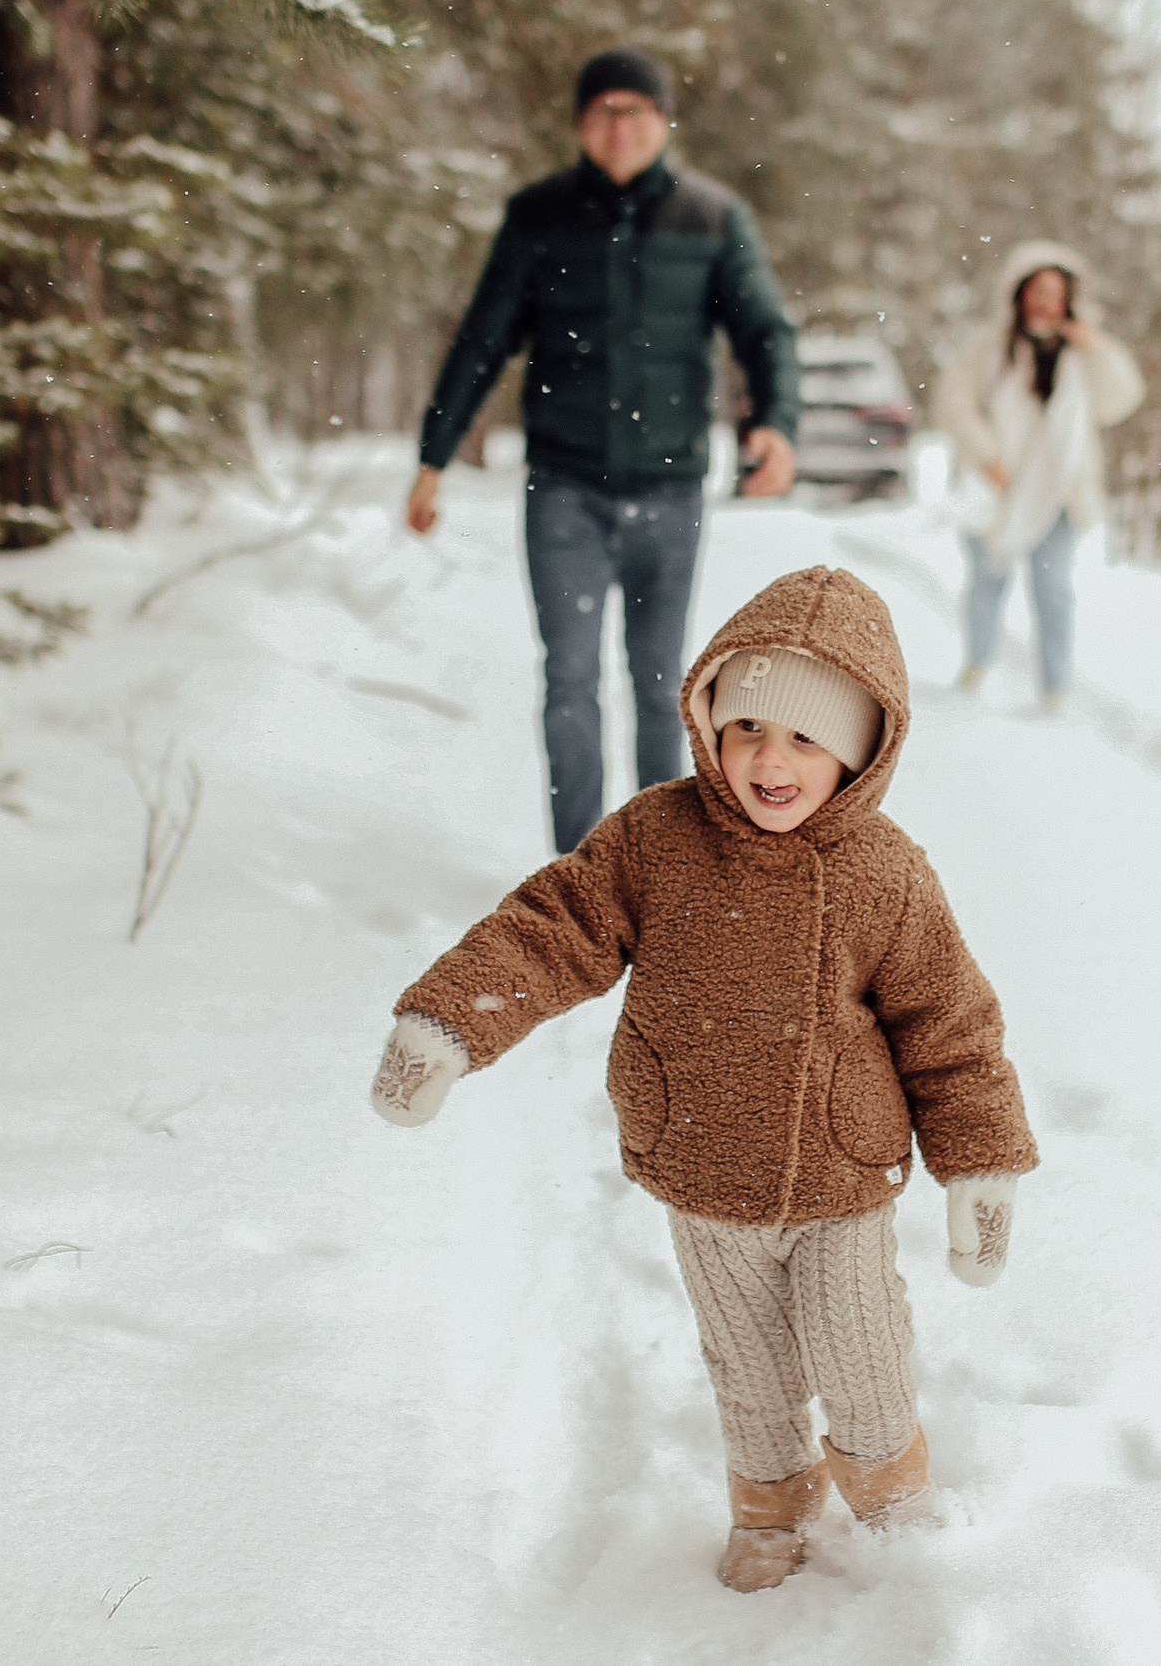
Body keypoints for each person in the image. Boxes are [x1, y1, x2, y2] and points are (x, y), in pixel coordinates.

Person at [365, 565, 1038, 1592]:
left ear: (861, 752)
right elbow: (556, 930)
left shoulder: (884, 873)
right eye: (747, 729)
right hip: (699, 1161)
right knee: (749, 1369)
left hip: (842, 1175)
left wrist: (980, 1167)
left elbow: (947, 1025)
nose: (770, 760)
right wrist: (452, 1020)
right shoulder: (656, 838)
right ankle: (770, 1510)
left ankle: (898, 1510)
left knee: (857, 1359)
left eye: (808, 738)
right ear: (707, 720)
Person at [405, 47, 801, 853]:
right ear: (582, 124)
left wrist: (776, 423)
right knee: (571, 682)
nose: (620, 127)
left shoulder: (713, 216)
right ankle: (581, 869)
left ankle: (660, 872)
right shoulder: (539, 213)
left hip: (669, 491)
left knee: (664, 689)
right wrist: (432, 456)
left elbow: (765, 330)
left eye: (636, 110)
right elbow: (483, 340)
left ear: (663, 122)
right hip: (565, 489)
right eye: (603, 111)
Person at [930, 240, 1144, 711]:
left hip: (1060, 492)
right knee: (987, 580)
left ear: (1069, 299)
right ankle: (975, 669)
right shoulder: (987, 347)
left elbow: (1120, 401)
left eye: (1055, 292)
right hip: (994, 489)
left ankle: (1054, 689)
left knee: (1053, 591)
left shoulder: (1083, 355)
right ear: (1020, 292)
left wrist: (1098, 348)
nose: (1045, 301)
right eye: (1037, 290)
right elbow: (953, 402)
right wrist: (986, 455)